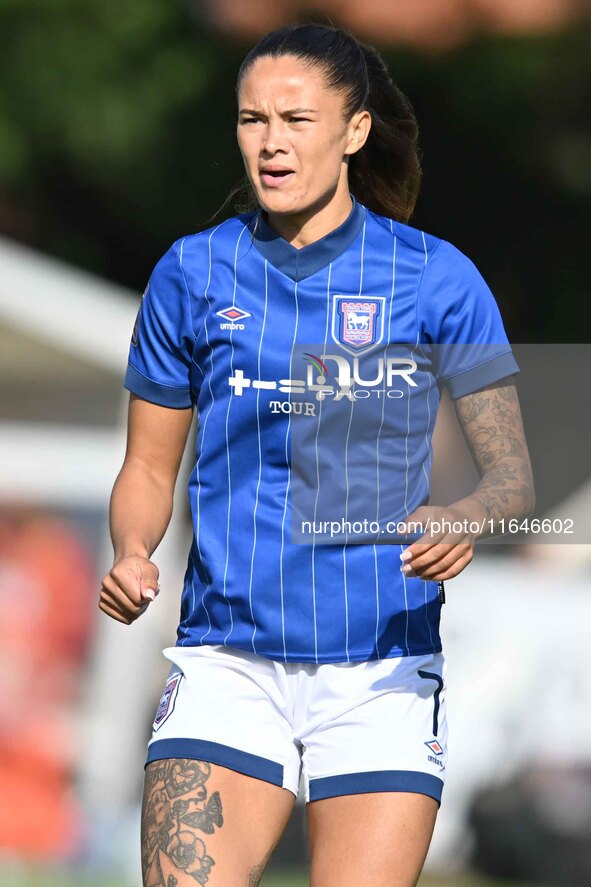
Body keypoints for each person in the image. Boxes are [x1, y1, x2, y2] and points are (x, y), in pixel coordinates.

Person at [100, 23, 534, 887]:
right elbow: (150, 466)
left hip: (379, 673)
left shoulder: (436, 278)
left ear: (355, 130)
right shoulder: (191, 275)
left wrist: (464, 517)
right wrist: (133, 552)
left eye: (296, 118)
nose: (270, 141)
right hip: (228, 663)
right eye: (251, 119)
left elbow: (510, 475)